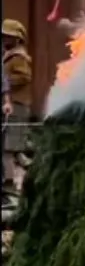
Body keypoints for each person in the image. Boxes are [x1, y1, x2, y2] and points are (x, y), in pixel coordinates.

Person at [2, 18, 34, 213]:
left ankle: (9, 190)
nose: (5, 38)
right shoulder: (9, 55)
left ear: (18, 38)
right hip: (11, 107)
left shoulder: (19, 57)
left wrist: (5, 81)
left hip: (17, 106)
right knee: (10, 148)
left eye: (8, 36)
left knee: (9, 149)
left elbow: (24, 77)